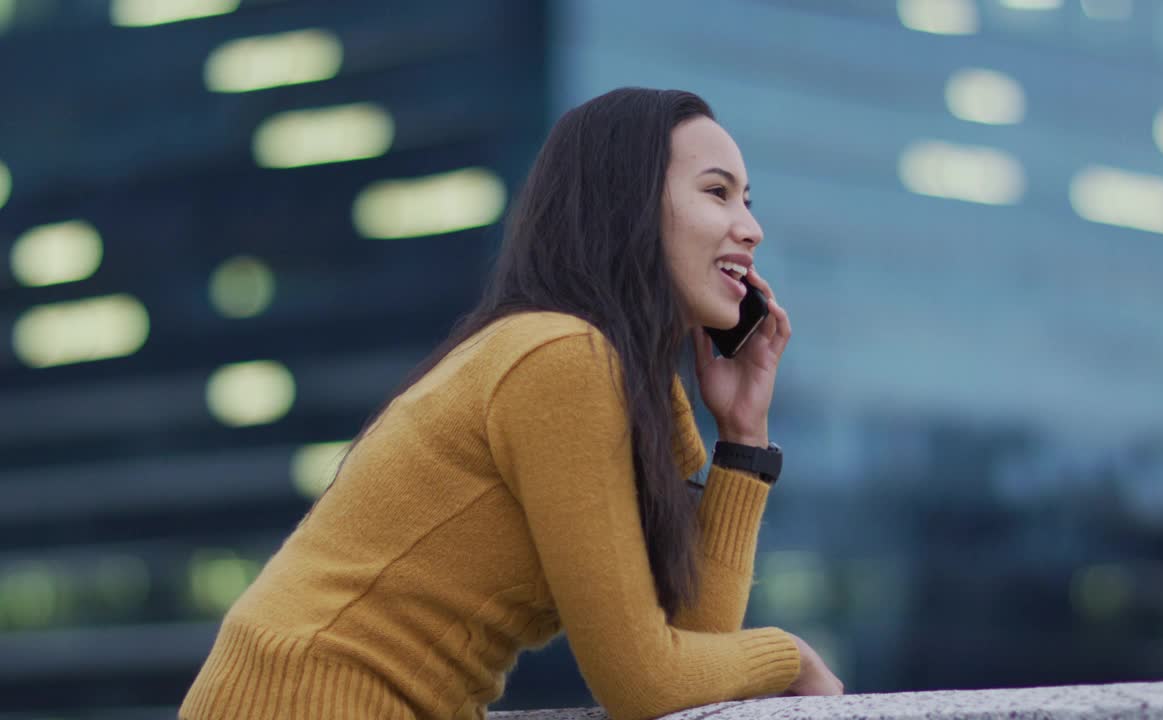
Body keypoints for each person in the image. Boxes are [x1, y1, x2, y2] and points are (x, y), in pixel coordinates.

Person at [179, 87, 842, 720]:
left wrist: (743, 437)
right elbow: (645, 683)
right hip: (308, 701)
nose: (750, 228)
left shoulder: (626, 389)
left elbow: (692, 657)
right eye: (717, 193)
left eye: (747, 201)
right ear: (628, 204)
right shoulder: (559, 358)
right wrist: (789, 656)